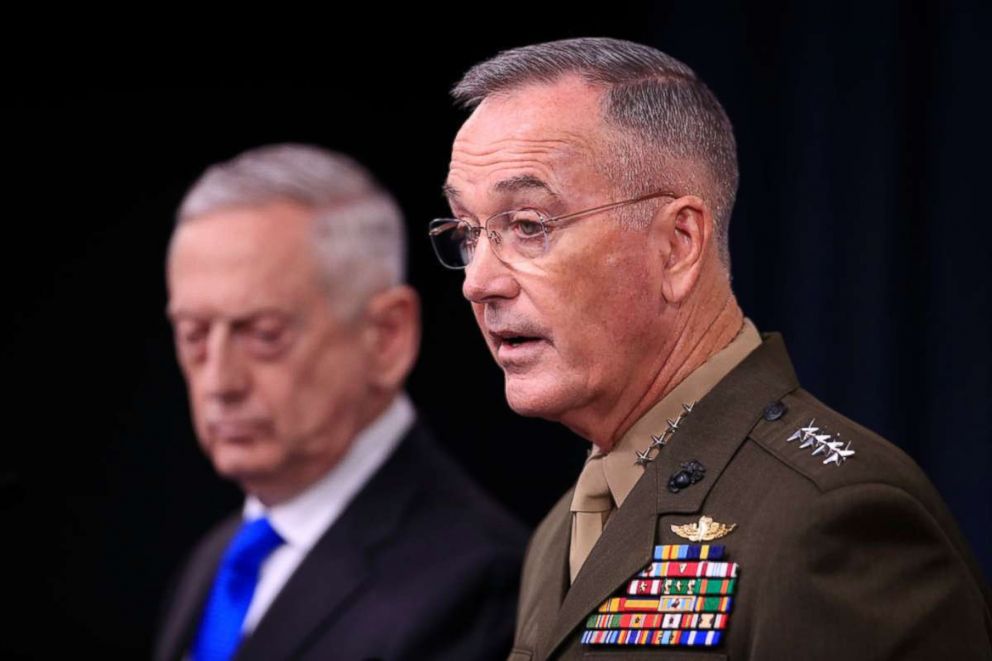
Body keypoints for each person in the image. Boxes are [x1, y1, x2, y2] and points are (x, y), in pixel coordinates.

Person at [429, 38, 992, 660]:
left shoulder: (833, 518)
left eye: (529, 226)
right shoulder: (562, 530)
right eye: (466, 232)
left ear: (677, 244)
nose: (479, 281)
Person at [155, 143, 526, 661]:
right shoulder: (217, 558)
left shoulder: (475, 587)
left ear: (386, 336)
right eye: (194, 335)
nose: (219, 381)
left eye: (264, 334)